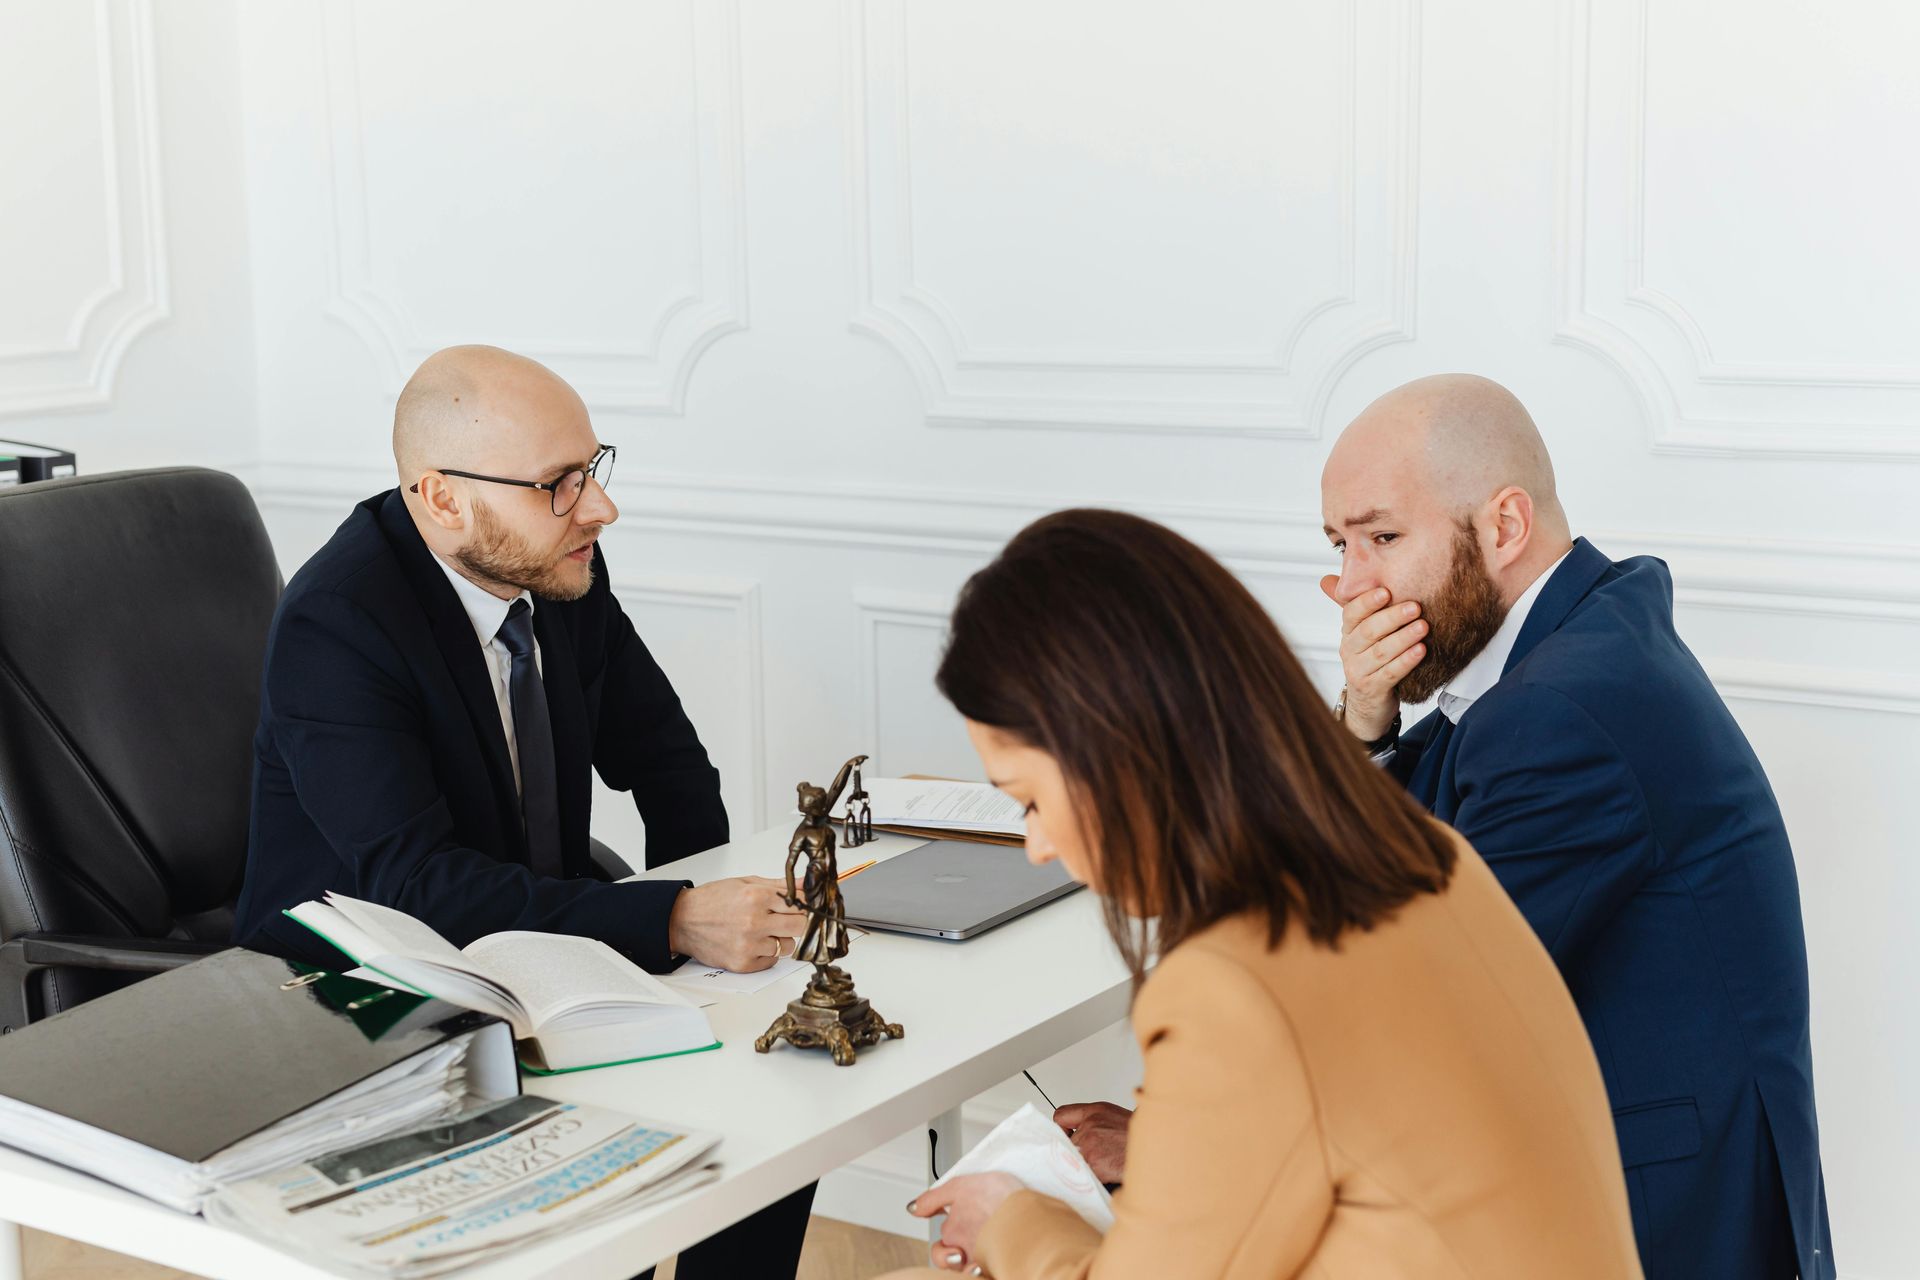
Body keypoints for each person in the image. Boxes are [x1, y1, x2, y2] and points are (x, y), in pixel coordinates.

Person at [881, 509, 1641, 1279]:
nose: (1039, 847)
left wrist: (1012, 1218)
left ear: (1116, 752)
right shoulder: (1417, 855)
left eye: (1032, 801)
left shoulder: (1236, 975)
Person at [231, 344, 813, 1280]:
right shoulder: (337, 623)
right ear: (441, 497)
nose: (599, 507)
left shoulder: (557, 565)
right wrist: (667, 918)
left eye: (593, 471)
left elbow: (667, 766)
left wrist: (716, 948)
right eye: (556, 484)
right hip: (361, 987)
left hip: (516, 940)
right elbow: (415, 885)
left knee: (776, 1092)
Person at [1316, 374, 1827, 1279]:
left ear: (1504, 527)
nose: (1351, 587)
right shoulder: (1578, 635)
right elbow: (1417, 838)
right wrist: (1366, 719)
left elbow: (1416, 1000)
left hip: (1651, 1213)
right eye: (1339, 545)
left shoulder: (1564, 706)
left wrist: (1181, 1142)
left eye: (1382, 538)